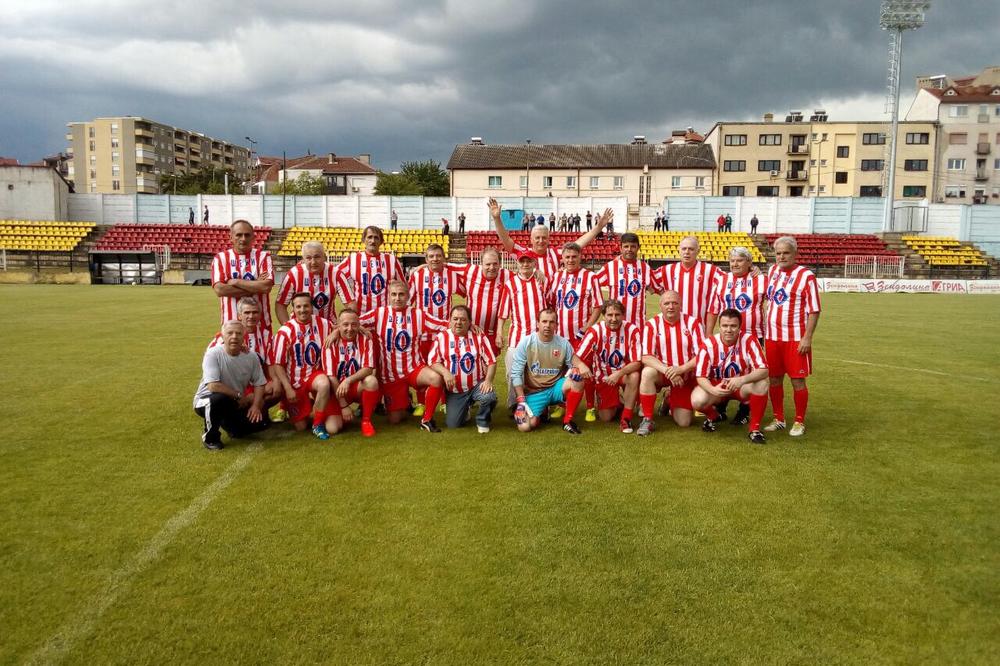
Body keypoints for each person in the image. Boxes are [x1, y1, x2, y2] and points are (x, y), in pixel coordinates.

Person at [359, 280, 449, 431]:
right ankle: (406, 401)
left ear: (408, 296)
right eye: (393, 294)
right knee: (395, 419)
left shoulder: (418, 314)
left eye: (401, 294)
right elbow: (353, 322)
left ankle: (426, 420)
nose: (397, 298)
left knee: (436, 378)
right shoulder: (379, 313)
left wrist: (467, 324)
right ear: (388, 296)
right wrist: (340, 331)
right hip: (391, 375)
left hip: (414, 368)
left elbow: (442, 324)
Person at [762, 236, 821, 437]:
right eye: (778, 253)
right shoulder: (772, 271)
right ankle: (779, 418)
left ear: (795, 254)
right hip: (772, 337)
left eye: (786, 253)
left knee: (797, 380)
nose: (781, 257)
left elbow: (814, 310)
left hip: (795, 337)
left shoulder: (806, 276)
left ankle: (799, 421)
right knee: (774, 379)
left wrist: (807, 337)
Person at [691, 309, 769, 444]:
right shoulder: (709, 344)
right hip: (718, 387)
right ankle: (714, 416)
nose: (729, 330)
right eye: (725, 326)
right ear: (719, 326)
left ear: (739, 327)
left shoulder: (749, 340)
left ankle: (754, 429)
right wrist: (713, 390)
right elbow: (701, 377)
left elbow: (764, 370)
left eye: (733, 326)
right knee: (697, 399)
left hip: (740, 386)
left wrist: (742, 380)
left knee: (762, 383)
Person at [548, 241, 604, 421]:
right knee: (561, 371)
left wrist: (587, 328)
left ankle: (590, 407)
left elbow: (598, 306)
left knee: (584, 371)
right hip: (560, 336)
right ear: (562, 258)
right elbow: (552, 303)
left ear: (580, 257)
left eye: (574, 257)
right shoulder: (557, 277)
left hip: (581, 336)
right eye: (567, 257)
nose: (570, 260)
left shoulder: (590, 277)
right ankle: (562, 404)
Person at [489, 197, 611, 280]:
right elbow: (505, 239)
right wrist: (497, 219)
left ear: (548, 239)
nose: (540, 241)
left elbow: (578, 244)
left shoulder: (555, 253)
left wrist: (598, 227)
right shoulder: (523, 253)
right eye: (537, 238)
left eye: (544, 238)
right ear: (531, 239)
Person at [636, 290, 706, 435]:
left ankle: (668, 399)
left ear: (680, 305)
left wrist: (680, 369)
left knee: (684, 422)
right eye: (667, 303)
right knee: (647, 372)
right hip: (662, 373)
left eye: (674, 303)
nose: (671, 306)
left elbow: (702, 355)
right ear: (660, 305)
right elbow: (646, 357)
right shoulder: (652, 324)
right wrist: (669, 371)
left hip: (685, 375)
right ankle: (647, 419)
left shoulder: (693, 323)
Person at [269, 292, 336, 439]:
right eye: (298, 307)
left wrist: (335, 332)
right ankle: (303, 406)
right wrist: (288, 388)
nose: (302, 310)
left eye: (306, 306)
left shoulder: (324, 324)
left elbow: (340, 328)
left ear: (312, 307)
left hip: (314, 376)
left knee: (324, 383)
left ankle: (317, 425)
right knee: (301, 427)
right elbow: (278, 364)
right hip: (295, 382)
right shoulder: (285, 331)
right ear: (293, 309)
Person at [712, 246, 767, 424]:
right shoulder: (722, 280)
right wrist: (709, 333)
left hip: (754, 336)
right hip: (727, 337)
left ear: (749, 262)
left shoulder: (761, 280)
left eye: (740, 260)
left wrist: (757, 270)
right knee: (724, 368)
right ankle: (721, 407)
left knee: (751, 373)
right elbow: (713, 309)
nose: (735, 264)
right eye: (732, 260)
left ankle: (744, 412)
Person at [408, 243, 465, 415]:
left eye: (438, 256)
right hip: (422, 333)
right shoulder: (417, 276)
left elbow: (466, 292)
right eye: (431, 256)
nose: (435, 259)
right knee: (422, 366)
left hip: (444, 334)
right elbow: (408, 301)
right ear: (426, 259)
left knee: (446, 366)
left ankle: (445, 402)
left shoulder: (451, 276)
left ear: (444, 258)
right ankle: (421, 403)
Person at [194, 321, 268, 450]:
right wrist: (239, 395)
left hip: (234, 401)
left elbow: (259, 383)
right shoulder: (213, 354)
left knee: (258, 426)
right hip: (206, 400)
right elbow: (213, 386)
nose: (234, 336)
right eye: (230, 333)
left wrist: (256, 406)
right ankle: (211, 438)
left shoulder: (251, 356)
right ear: (222, 336)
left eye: (238, 333)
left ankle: (228, 424)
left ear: (244, 336)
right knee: (218, 399)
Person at [509, 308, 586, 435]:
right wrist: (521, 401)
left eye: (551, 322)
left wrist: (575, 370)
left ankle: (567, 422)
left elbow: (572, 364)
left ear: (556, 325)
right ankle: (541, 412)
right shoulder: (526, 343)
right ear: (537, 323)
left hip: (556, 388)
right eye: (544, 321)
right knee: (525, 426)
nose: (547, 325)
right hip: (535, 392)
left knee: (578, 381)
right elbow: (516, 373)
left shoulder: (563, 343)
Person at [573, 300, 643, 433]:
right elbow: (575, 357)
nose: (614, 319)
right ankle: (621, 401)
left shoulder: (632, 330)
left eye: (617, 315)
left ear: (623, 315)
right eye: (610, 315)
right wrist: (581, 365)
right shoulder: (595, 331)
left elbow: (637, 362)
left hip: (623, 374)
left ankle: (626, 418)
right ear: (604, 315)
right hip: (604, 376)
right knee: (606, 417)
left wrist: (618, 374)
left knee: (634, 376)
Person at [428, 305, 499, 433]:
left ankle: (482, 420)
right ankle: (465, 409)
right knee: (453, 424)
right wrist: (445, 372)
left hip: (476, 385)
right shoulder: (441, 337)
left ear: (470, 322)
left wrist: (488, 381)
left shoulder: (479, 336)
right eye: (455, 319)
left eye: (463, 319)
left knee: (489, 396)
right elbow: (432, 361)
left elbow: (492, 361)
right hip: (456, 391)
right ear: (450, 320)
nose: (459, 322)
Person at [207, 296, 282, 409]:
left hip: (256, 381)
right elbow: (212, 359)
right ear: (239, 316)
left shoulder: (266, 336)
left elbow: (270, 363)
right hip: (233, 382)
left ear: (260, 315)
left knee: (277, 387)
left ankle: (257, 409)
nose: (251, 316)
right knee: (252, 398)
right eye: (247, 312)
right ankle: (250, 408)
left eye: (255, 312)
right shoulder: (227, 335)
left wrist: (275, 380)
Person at [496, 249, 548, 408]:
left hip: (538, 338)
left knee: (538, 374)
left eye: (529, 261)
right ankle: (514, 405)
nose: (525, 264)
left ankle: (540, 406)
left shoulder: (541, 281)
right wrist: (499, 333)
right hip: (517, 337)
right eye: (522, 261)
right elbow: (503, 313)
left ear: (534, 263)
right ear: (517, 263)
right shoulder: (510, 284)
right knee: (514, 373)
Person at [321, 309, 379, 437]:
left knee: (371, 381)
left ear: (359, 325)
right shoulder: (330, 342)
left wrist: (348, 381)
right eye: (345, 324)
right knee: (332, 429)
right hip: (336, 390)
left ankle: (366, 421)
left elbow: (368, 368)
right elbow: (331, 377)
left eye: (354, 324)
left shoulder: (366, 339)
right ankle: (320, 411)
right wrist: (344, 406)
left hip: (354, 386)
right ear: (338, 325)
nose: (350, 328)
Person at [211, 219, 274, 328]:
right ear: (231, 237)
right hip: (231, 326)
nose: (243, 239)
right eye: (239, 235)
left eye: (247, 235)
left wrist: (236, 282)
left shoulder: (263, 257)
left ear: (253, 237)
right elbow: (220, 290)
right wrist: (256, 284)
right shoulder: (221, 258)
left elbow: (266, 287)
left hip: (261, 325)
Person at [653, 235, 725, 330]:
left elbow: (729, 280)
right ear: (679, 250)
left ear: (698, 251)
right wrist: (663, 293)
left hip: (699, 328)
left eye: (691, 249)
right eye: (684, 249)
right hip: (673, 329)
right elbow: (647, 279)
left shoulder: (711, 270)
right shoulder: (667, 270)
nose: (687, 252)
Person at [594, 232, 661, 329]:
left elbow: (659, 289)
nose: (629, 249)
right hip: (615, 324)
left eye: (633, 246)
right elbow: (592, 284)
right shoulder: (610, 267)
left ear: (638, 247)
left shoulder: (645, 268)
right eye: (626, 246)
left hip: (638, 325)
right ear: (620, 248)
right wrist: (602, 304)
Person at [452, 247, 510, 356]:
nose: (492, 267)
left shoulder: (506, 275)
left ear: (500, 264)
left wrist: (536, 272)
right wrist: (423, 266)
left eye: (495, 264)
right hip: (470, 329)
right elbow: (444, 265)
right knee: (468, 361)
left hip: (491, 333)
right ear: (481, 264)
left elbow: (523, 275)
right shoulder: (470, 270)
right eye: (488, 264)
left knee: (489, 363)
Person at [335, 225, 406, 314]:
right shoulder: (353, 259)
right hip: (360, 315)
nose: (373, 241)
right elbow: (334, 276)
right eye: (369, 237)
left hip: (384, 315)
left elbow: (403, 286)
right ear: (363, 240)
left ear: (381, 241)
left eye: (376, 238)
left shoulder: (391, 260)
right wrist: (348, 299)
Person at [275, 241, 343, 325]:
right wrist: (289, 328)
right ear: (303, 259)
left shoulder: (335, 273)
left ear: (324, 257)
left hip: (328, 327)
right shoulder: (294, 274)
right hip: (299, 328)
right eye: (308, 258)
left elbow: (350, 303)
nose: (313, 262)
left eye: (317, 257)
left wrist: (339, 328)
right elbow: (280, 304)